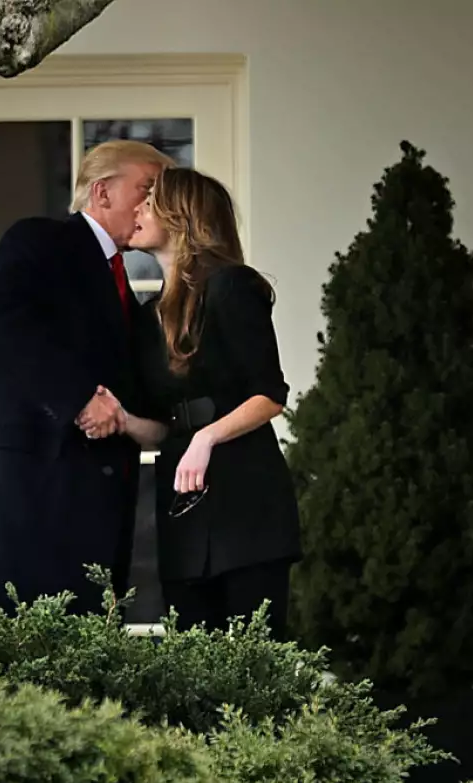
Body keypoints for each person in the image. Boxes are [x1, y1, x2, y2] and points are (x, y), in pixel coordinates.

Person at [0, 140, 174, 615]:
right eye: (147, 188)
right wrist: (79, 398)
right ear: (102, 192)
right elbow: (2, 323)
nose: (155, 203)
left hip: (89, 507)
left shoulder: (133, 291)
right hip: (22, 491)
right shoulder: (41, 241)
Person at [80, 167, 301, 637]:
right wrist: (122, 420)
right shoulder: (148, 318)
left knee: (256, 658)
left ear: (180, 215)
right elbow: (159, 426)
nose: (137, 210)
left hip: (246, 499)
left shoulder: (232, 286)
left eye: (150, 202)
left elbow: (269, 395)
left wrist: (206, 438)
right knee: (193, 659)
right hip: (183, 503)